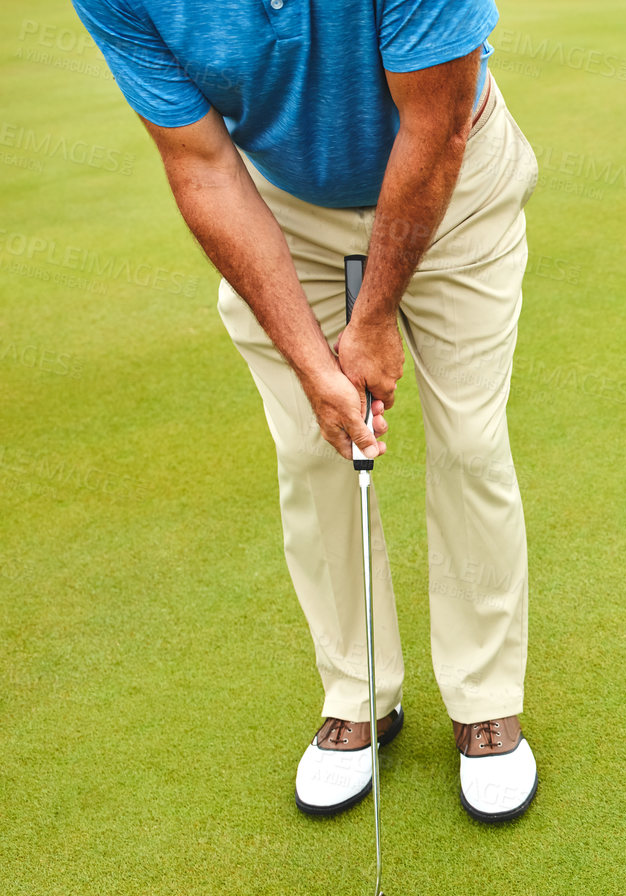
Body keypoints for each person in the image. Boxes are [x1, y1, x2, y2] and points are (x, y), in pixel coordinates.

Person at [71, 0, 541, 822]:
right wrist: (311, 360)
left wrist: (372, 321)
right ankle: (360, 694)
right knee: (311, 447)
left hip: (454, 185)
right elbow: (202, 165)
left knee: (468, 442)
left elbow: (436, 128)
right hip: (283, 210)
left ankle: (485, 699)